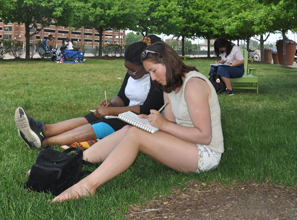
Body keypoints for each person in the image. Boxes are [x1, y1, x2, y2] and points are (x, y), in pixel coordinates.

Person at [51, 41, 224, 202]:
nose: (153, 78)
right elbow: (172, 126)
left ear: (168, 61)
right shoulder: (169, 85)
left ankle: (87, 186)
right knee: (131, 128)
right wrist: (152, 123)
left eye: (154, 71)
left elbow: (204, 136)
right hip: (186, 145)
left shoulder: (193, 84)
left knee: (135, 134)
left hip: (205, 154)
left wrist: (163, 125)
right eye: (149, 72)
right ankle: (73, 162)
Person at [14, 35, 164, 149]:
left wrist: (112, 111)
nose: (129, 73)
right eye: (127, 69)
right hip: (123, 113)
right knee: (93, 116)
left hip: (138, 121)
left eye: (132, 70)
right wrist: (111, 104)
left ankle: (44, 141)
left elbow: (146, 109)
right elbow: (122, 96)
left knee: (99, 124)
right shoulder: (133, 74)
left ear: (146, 65)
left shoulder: (157, 78)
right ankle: (43, 129)